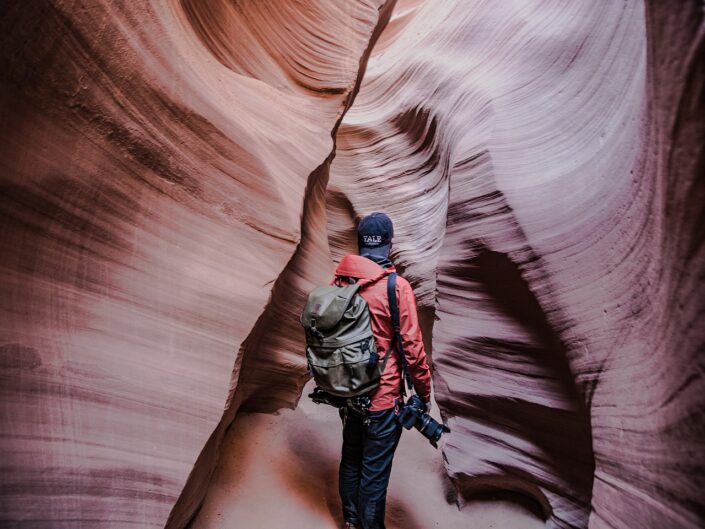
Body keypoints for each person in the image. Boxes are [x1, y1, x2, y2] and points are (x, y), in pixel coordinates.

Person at [333, 212, 432, 529]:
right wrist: (423, 392)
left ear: (360, 244)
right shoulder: (396, 287)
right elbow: (412, 348)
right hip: (382, 398)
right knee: (374, 473)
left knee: (351, 459)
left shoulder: (340, 283)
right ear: (389, 245)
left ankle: (351, 522)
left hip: (349, 393)